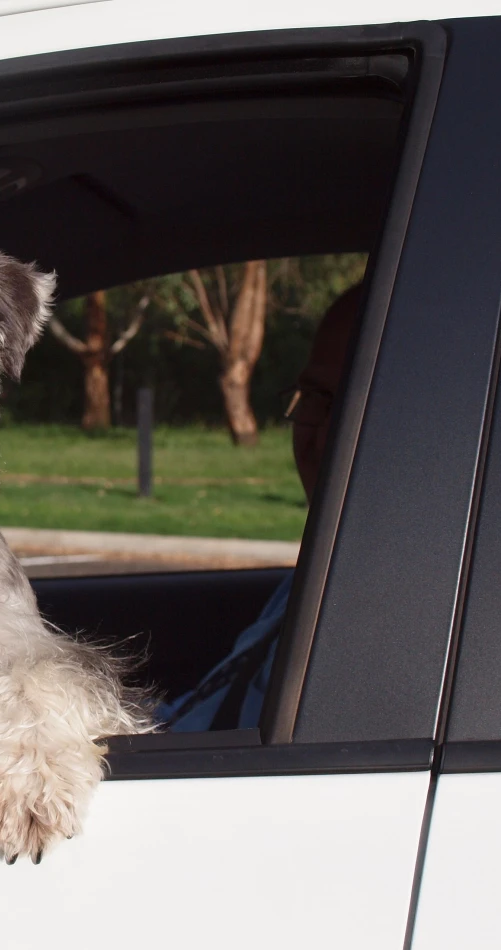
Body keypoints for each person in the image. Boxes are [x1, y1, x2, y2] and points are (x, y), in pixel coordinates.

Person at [155, 282, 362, 732]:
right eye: (315, 399)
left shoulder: (381, 614)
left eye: (354, 405)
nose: (323, 435)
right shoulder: (322, 576)